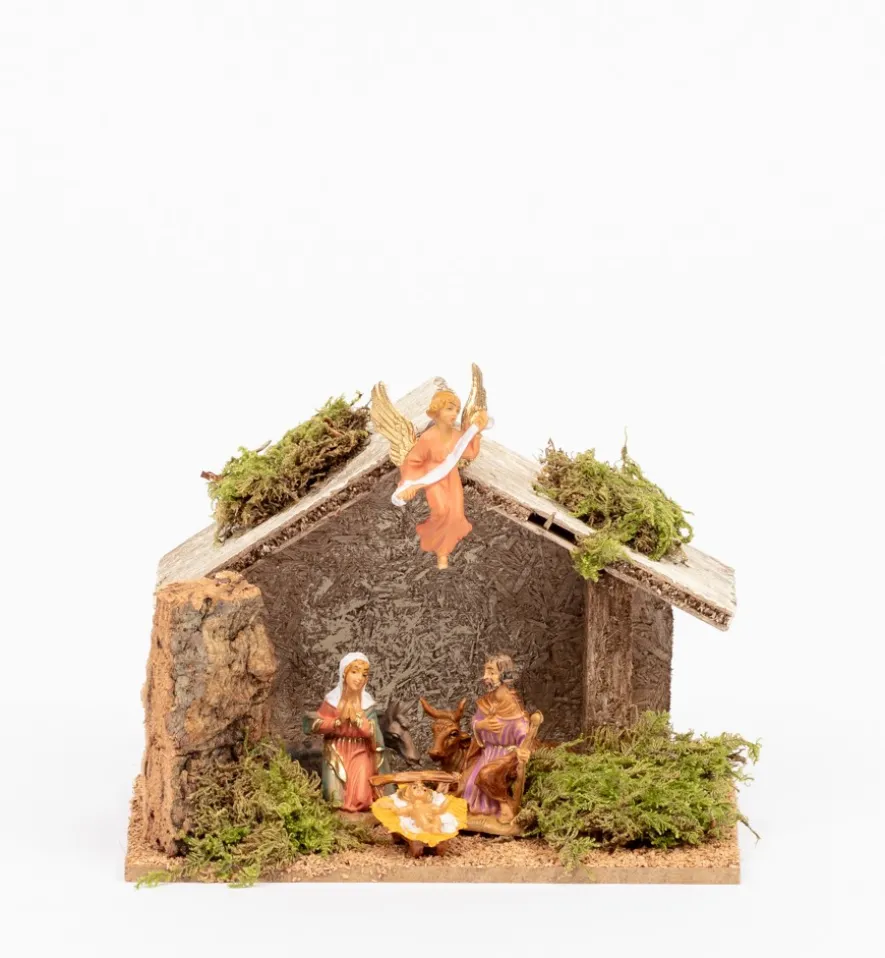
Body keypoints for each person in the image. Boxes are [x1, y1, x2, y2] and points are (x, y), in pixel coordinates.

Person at [397, 389, 488, 569]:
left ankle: (444, 552)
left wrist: (477, 432)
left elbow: (470, 453)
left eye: (457, 410)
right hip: (433, 479)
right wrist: (409, 484)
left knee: (455, 515)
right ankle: (435, 547)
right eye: (449, 409)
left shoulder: (456, 435)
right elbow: (412, 461)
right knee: (441, 511)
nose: (454, 414)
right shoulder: (428, 438)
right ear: (437, 410)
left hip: (451, 478)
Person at [309, 652, 389, 812]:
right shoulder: (332, 701)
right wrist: (335, 723)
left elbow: (375, 734)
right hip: (336, 751)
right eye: (354, 672)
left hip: (360, 751)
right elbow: (314, 724)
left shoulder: (367, 704)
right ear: (344, 673)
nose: (359, 678)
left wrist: (362, 724)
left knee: (362, 799)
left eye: (364, 674)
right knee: (334, 797)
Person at [459, 653, 531, 824]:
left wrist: (522, 749)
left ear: (504, 675)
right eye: (485, 672)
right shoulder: (485, 702)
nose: (485, 677)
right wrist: (481, 725)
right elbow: (476, 721)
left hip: (505, 756)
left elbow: (522, 730)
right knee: (468, 785)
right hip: (487, 753)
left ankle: (503, 807)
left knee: (488, 776)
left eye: (491, 672)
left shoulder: (512, 704)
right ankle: (478, 814)